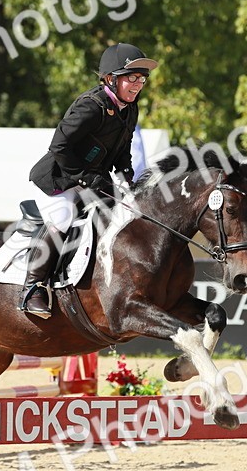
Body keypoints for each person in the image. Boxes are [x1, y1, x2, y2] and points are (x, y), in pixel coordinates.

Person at [20, 43, 158, 318]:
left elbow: (123, 148)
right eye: (131, 78)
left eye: (141, 79)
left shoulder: (129, 109)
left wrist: (126, 175)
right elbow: (59, 146)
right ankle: (33, 287)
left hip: (94, 180)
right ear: (111, 78)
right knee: (63, 217)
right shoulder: (90, 107)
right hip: (60, 178)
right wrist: (85, 178)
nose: (137, 85)